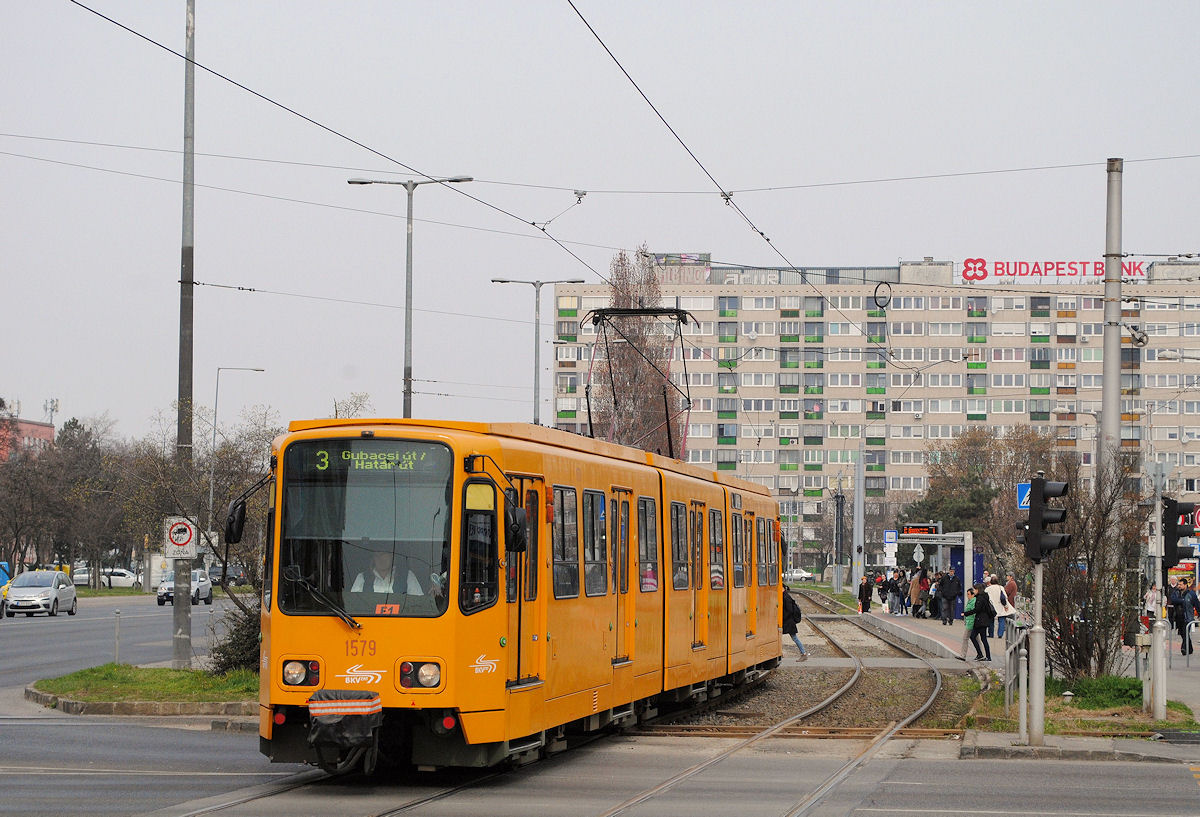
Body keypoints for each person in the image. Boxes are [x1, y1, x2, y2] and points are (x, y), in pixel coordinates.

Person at [351, 550, 424, 594]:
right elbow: (353, 604)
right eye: (377, 555)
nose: (381, 559)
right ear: (373, 559)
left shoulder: (407, 576)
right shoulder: (362, 577)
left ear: (392, 556)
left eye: (384, 554)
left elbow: (418, 604)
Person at [1168, 577, 1200, 655]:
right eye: (1178, 584)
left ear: (1185, 585)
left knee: (1185, 632)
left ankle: (1184, 648)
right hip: (1178, 617)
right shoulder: (1176, 592)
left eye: (1181, 584)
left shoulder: (1191, 594)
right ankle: (1190, 648)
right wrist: (1182, 601)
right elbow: (1173, 600)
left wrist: (1199, 613)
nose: (1179, 586)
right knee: (1182, 633)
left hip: (1188, 617)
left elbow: (1197, 604)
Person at [969, 582, 995, 661]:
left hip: (981, 621)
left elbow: (977, 609)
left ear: (978, 590)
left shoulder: (980, 598)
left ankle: (985, 656)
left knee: (979, 638)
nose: (973, 591)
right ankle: (982, 655)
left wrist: (966, 613)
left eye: (975, 589)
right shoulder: (983, 597)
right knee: (978, 637)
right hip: (982, 621)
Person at [781, 588, 809, 659]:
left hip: (788, 622)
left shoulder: (786, 597)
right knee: (779, 636)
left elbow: (789, 610)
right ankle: (780, 653)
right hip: (787, 621)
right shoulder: (784, 596)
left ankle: (804, 654)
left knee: (794, 638)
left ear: (782, 588)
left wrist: (783, 617)